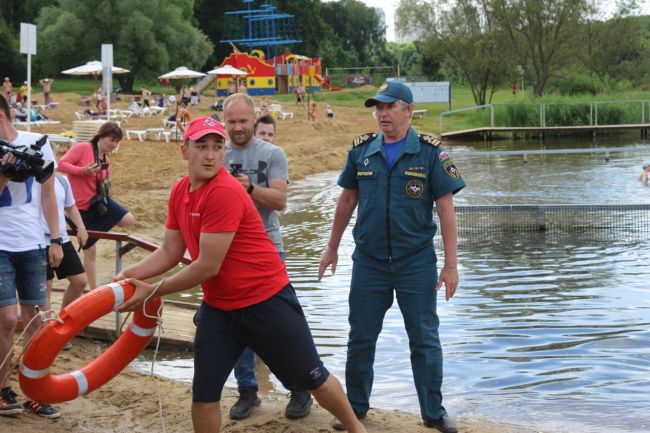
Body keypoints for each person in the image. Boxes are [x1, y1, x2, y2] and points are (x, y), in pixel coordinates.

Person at [113, 116, 367, 433]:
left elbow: (207, 266)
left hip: (267, 301)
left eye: (217, 147)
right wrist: (124, 278)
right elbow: (170, 252)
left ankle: (356, 428)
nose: (210, 155)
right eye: (201, 146)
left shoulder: (225, 191)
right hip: (219, 308)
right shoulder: (180, 190)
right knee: (204, 393)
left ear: (224, 152)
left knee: (312, 377)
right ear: (184, 150)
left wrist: (150, 291)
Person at [318, 81, 465, 433]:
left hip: (416, 263)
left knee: (424, 338)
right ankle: (354, 408)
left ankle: (433, 412)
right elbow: (346, 202)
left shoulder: (431, 153)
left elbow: (446, 210)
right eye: (378, 108)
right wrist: (332, 246)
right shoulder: (362, 151)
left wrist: (450, 266)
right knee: (361, 335)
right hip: (368, 262)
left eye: (389, 107)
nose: (382, 114)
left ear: (408, 110)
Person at [224, 97, 313, 419]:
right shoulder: (217, 153)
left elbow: (279, 201)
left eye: (243, 121)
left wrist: (249, 189)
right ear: (225, 121)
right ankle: (248, 391)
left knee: (282, 324)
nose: (237, 127)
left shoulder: (272, 153)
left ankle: (301, 388)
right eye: (231, 121)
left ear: (253, 119)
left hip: (267, 248)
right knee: (238, 325)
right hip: (228, 251)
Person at [0, 94, 63, 418]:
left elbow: (49, 193)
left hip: (32, 242)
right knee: (7, 320)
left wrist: (55, 239)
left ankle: (35, 393)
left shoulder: (35, 143)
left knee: (35, 320)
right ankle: (2, 389)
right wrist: (5, 175)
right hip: (0, 245)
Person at [57, 123, 135, 289]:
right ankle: (94, 290)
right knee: (90, 252)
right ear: (101, 136)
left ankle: (92, 235)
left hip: (97, 203)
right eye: (111, 140)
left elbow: (103, 184)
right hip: (77, 207)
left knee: (128, 219)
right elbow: (61, 164)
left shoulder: (107, 159)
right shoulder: (83, 148)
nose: (113, 145)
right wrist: (82, 171)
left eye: (116, 142)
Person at [43, 174, 88, 351]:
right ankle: (48, 334)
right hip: (39, 239)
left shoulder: (62, 180)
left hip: (61, 238)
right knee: (45, 287)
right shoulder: (31, 180)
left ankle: (61, 323)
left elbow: (70, 206)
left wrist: (81, 227)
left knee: (80, 281)